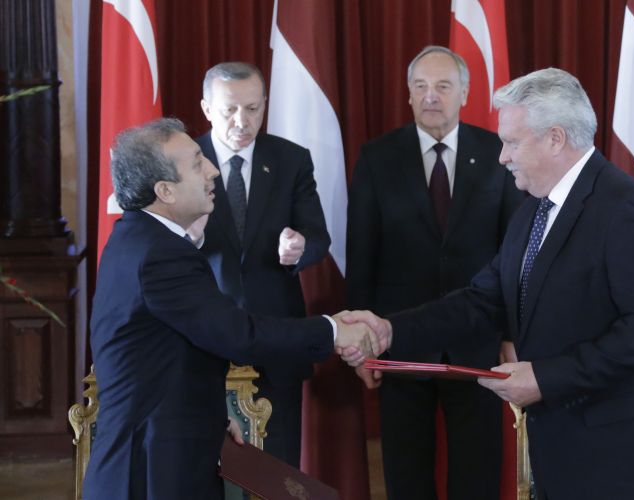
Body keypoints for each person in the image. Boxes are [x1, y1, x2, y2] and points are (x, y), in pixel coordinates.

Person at [343, 68, 634, 499]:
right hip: (575, 446)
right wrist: (391, 330)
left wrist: (545, 377)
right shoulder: (532, 211)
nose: (501, 157)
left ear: (555, 138)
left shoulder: (628, 210)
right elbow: (481, 301)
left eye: (512, 142)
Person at [85, 118, 380, 500]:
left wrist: (210, 417)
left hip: (168, 450)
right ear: (165, 191)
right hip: (149, 470)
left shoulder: (140, 238)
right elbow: (239, 335)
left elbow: (168, 358)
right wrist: (334, 331)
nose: (212, 170)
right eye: (197, 163)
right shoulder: (159, 255)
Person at [346, 46, 523, 500]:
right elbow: (361, 255)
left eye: (443, 86)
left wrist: (510, 332)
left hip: (477, 341)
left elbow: (513, 252)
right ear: (408, 94)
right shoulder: (377, 157)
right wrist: (361, 342)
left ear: (465, 93)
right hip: (400, 341)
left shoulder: (498, 154)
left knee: (477, 475)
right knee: (406, 476)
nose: (431, 96)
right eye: (421, 86)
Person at [194, 62, 330, 467]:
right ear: (207, 108)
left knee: (279, 464)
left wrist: (300, 247)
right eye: (230, 110)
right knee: (204, 464)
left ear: (265, 105)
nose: (243, 121)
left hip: (276, 338)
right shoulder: (183, 161)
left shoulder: (290, 159)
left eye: (253, 109)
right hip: (203, 337)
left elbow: (317, 236)